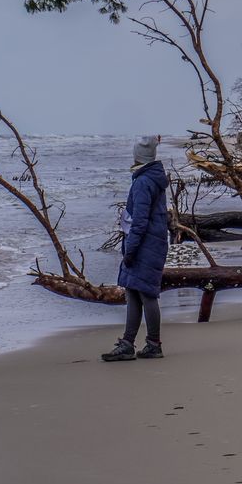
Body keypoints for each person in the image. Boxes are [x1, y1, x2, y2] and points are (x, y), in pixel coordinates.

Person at [102, 135, 169, 361]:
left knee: (146, 293)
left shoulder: (143, 181)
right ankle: (129, 343)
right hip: (153, 240)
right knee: (133, 291)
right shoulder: (152, 178)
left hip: (145, 243)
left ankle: (152, 344)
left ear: (139, 157)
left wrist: (130, 250)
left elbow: (139, 221)